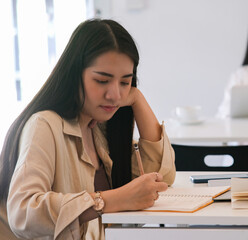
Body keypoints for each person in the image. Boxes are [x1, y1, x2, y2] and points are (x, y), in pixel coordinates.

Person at [0, 19, 176, 239]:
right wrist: (110, 200)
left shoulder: (97, 126)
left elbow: (162, 177)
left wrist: (137, 99)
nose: (115, 95)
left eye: (125, 82)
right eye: (102, 80)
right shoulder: (44, 125)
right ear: (74, 75)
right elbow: (23, 212)